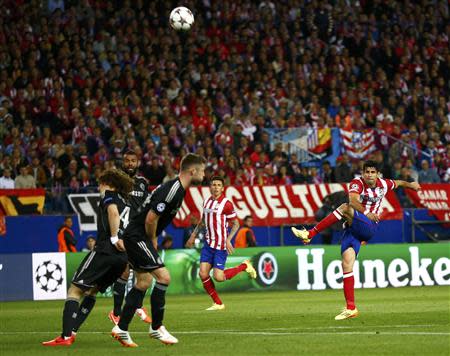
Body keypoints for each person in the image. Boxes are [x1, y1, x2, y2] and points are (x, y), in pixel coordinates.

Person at [291, 160, 421, 320]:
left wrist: (412, 185)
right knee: (346, 264)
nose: (369, 175)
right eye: (367, 172)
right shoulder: (357, 183)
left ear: (378, 174)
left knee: (344, 208)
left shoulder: (384, 184)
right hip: (354, 228)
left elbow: (399, 182)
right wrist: (366, 211)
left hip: (369, 226)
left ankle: (310, 234)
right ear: (363, 173)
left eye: (373, 172)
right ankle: (351, 308)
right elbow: (353, 200)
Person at [111, 153, 206, 347]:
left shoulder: (177, 189)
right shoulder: (174, 189)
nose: (204, 175)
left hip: (135, 235)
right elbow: (151, 218)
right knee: (164, 277)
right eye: (203, 170)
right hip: (138, 237)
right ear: (192, 170)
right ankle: (156, 327)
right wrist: (153, 239)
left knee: (144, 281)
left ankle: (121, 328)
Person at [42, 169, 134, 346]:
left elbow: (113, 213)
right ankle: (72, 331)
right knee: (91, 292)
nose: (99, 187)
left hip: (105, 250)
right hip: (121, 258)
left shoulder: (109, 195)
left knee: (74, 290)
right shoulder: (126, 202)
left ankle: (66, 336)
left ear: (110, 184)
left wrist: (114, 237)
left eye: (101, 183)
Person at [186, 177, 257, 310]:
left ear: (222, 188)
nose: (216, 187)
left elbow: (235, 223)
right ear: (210, 187)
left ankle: (244, 266)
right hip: (208, 245)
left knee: (218, 277)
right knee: (203, 274)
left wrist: (228, 239)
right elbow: (203, 221)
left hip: (220, 246)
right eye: (214, 185)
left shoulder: (227, 204)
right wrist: (193, 235)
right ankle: (218, 303)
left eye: (219, 185)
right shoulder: (206, 202)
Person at [109, 150, 152, 326]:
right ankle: (117, 312)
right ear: (123, 162)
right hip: (121, 231)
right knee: (125, 271)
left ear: (138, 163)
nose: (130, 164)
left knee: (142, 271)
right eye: (127, 161)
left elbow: (146, 206)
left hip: (137, 231)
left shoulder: (143, 183)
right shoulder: (116, 182)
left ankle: (138, 306)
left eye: (133, 161)